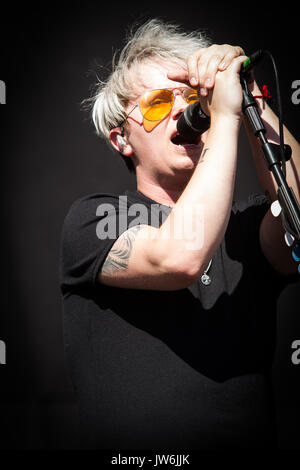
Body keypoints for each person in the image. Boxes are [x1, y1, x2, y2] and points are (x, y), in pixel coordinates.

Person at [59, 19, 299, 449]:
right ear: (121, 140)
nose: (180, 110)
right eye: (155, 104)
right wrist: (223, 120)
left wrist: (247, 97)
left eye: (192, 97)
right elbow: (180, 257)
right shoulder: (94, 220)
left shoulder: (246, 227)